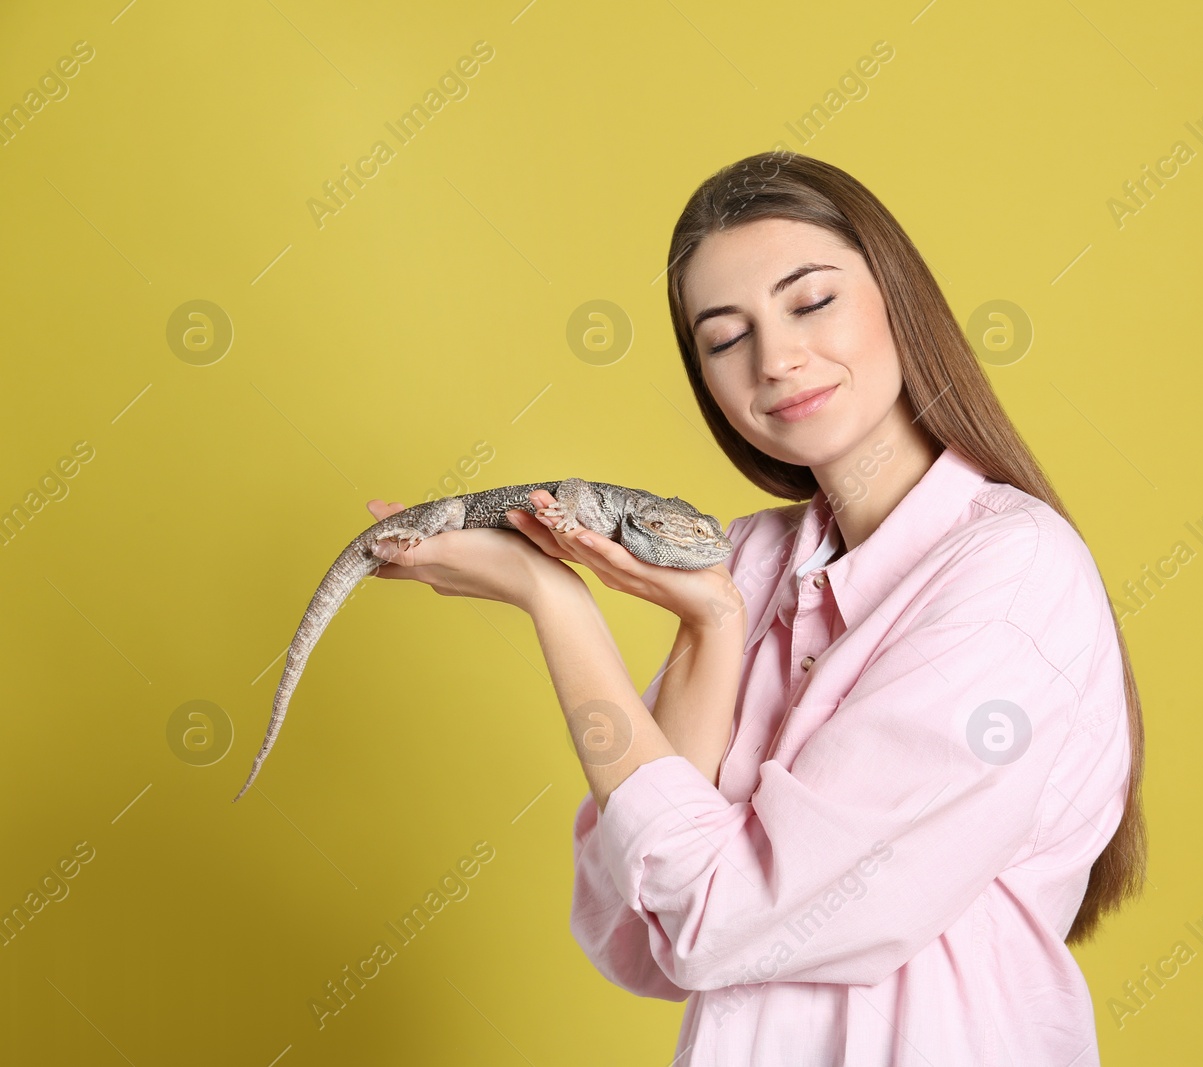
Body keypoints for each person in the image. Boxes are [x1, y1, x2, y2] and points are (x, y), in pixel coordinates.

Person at [364, 151, 1147, 1065]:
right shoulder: (748, 564)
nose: (775, 359)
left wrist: (554, 601)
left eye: (810, 302)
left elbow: (720, 921)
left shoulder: (1012, 574)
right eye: (725, 337)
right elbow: (632, 921)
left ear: (899, 298)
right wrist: (713, 626)